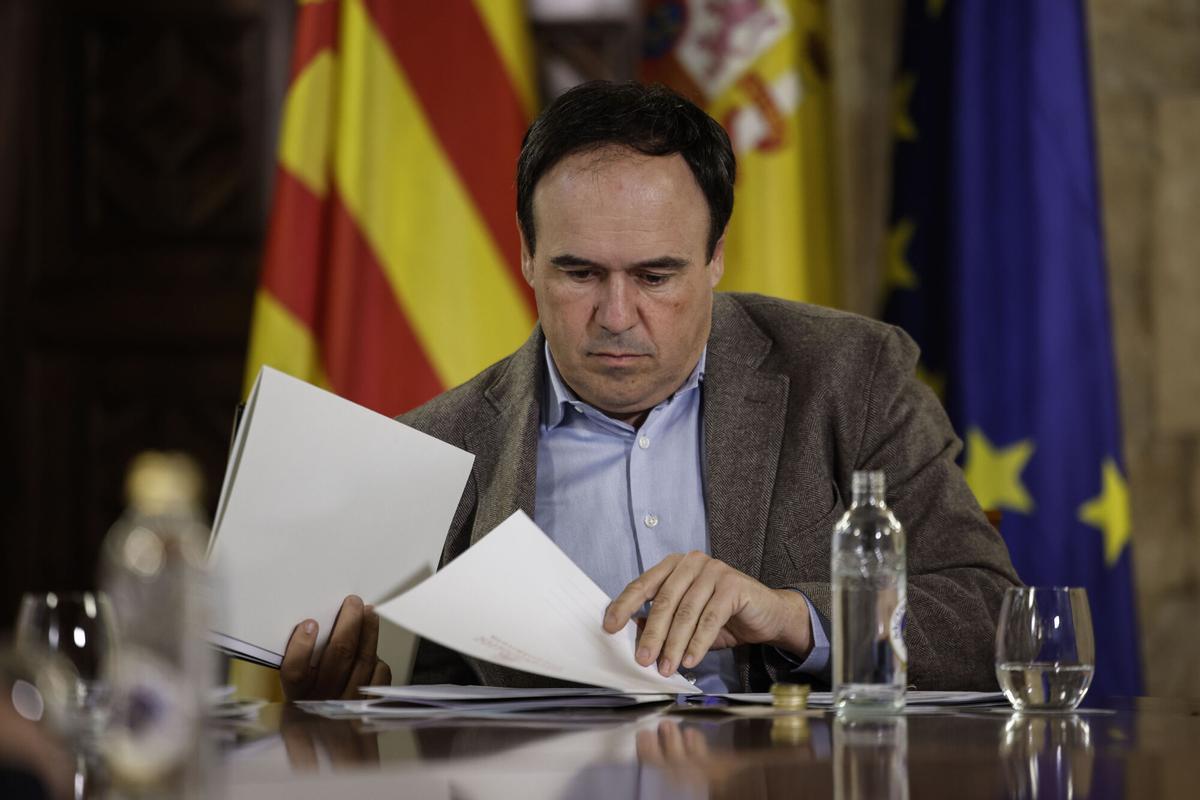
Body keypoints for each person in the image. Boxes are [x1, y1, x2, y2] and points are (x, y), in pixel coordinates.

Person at [279, 81, 1020, 698]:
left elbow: (989, 616)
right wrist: (343, 698)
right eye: (579, 273)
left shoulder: (849, 375)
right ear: (528, 256)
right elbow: (416, 711)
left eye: (655, 276)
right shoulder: (438, 447)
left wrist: (795, 616)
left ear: (716, 258)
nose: (616, 315)